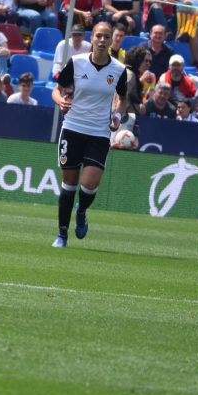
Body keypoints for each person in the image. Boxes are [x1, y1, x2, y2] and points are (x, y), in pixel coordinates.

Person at [50, 21, 127, 247]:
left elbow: (123, 99)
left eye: (106, 37)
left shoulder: (119, 70)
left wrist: (117, 117)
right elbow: (57, 90)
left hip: (99, 133)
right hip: (73, 128)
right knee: (69, 185)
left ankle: (81, 210)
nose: (102, 41)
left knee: (89, 184)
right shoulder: (77, 63)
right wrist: (60, 101)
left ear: (112, 39)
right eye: (99, 36)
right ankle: (62, 234)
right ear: (91, 39)